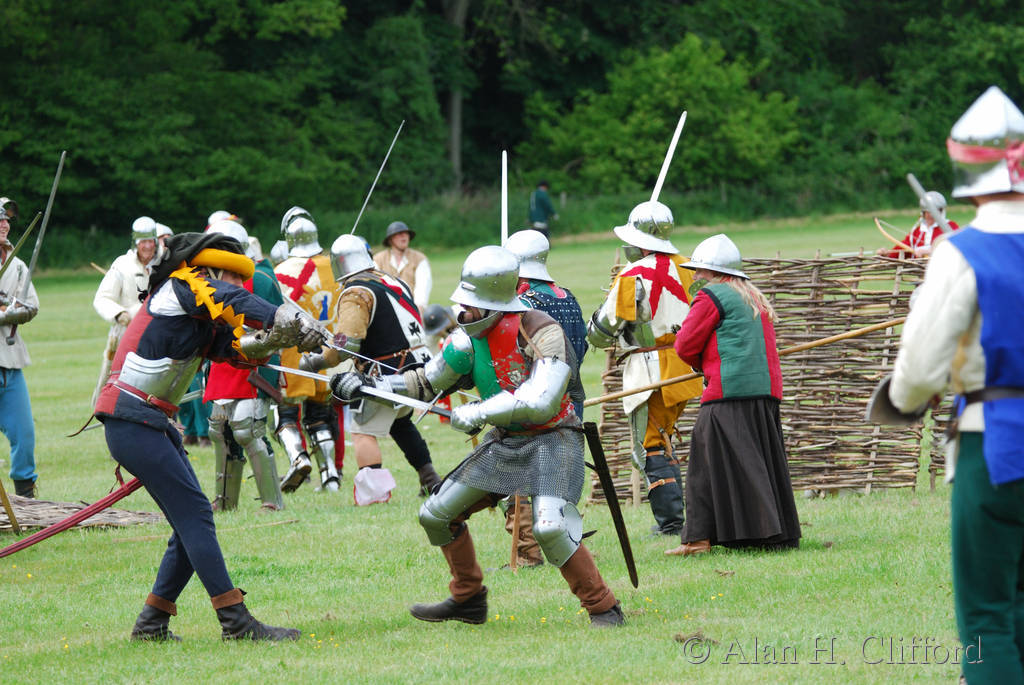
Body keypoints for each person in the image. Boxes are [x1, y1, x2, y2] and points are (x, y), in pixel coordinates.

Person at [331, 245, 624, 627]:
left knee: (550, 528)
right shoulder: (467, 338)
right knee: (436, 514)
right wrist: (370, 386)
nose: (462, 311)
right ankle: (468, 598)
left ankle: (603, 607)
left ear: (493, 300)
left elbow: (542, 401)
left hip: (553, 438)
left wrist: (479, 411)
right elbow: (425, 381)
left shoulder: (540, 330)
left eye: (470, 303)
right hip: (505, 441)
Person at [93, 230, 325, 641]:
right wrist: (286, 316)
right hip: (133, 419)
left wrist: (276, 337)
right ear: (210, 272)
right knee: (197, 515)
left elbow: (236, 352)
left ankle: (151, 624)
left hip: (149, 422)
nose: (237, 285)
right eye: (231, 276)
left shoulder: (199, 316)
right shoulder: (181, 287)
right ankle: (235, 622)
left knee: (191, 520)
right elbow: (231, 299)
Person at [884, 85, 1024, 683]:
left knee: (988, 617)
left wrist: (903, 400)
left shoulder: (961, 253)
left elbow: (918, 373)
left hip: (996, 443)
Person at [664, 233, 802, 557]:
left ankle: (698, 540)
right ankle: (772, 534)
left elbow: (685, 345)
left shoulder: (711, 296)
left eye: (699, 270)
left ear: (713, 271)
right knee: (758, 461)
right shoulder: (752, 294)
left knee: (703, 461)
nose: (696, 276)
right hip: (765, 391)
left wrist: (701, 362)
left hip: (729, 390)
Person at [586, 201, 703, 537]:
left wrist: (593, 329)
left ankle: (671, 523)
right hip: (686, 365)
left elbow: (605, 327)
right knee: (663, 437)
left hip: (652, 370)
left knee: (650, 443)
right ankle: (676, 517)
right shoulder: (689, 267)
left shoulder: (632, 275)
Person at [302, 234, 441, 503]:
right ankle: (430, 479)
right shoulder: (391, 280)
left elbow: (346, 345)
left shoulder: (356, 292)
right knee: (400, 422)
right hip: (418, 366)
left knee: (362, 429)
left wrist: (316, 361)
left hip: (385, 372)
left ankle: (375, 494)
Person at [502, 228, 587, 567]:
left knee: (521, 473)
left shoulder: (524, 304)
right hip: (570, 400)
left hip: (536, 401)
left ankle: (528, 552)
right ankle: (561, 547)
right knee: (558, 477)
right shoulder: (568, 297)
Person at [203, 219, 286, 511]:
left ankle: (272, 501)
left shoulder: (260, 280)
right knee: (218, 430)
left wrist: (259, 349)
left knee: (247, 430)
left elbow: (279, 325)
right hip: (222, 362)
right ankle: (225, 502)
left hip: (254, 363)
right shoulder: (204, 280)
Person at [273, 206, 343, 492]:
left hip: (294, 354)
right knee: (319, 414)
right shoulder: (335, 266)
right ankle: (331, 476)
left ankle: (298, 458)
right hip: (328, 352)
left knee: (284, 413)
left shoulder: (280, 272)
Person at [91, 217, 158, 406]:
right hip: (126, 333)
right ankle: (104, 410)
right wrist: (120, 314)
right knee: (113, 380)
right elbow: (102, 298)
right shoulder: (122, 265)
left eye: (150, 241)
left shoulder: (165, 262)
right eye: (143, 242)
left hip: (157, 335)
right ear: (136, 243)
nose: (147, 246)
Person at [0, 197, 40, 498]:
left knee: (25, 436)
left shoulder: (17, 266)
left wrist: (7, 312)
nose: (4, 224)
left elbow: (31, 306)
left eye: (6, 220)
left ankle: (25, 498)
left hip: (11, 360)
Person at [879, 191, 961, 257]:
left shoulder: (950, 226)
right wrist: (888, 253)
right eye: (927, 212)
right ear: (923, 213)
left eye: (934, 212)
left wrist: (929, 251)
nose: (930, 215)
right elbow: (903, 247)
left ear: (941, 212)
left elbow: (957, 248)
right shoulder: (917, 231)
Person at [372, 221, 432, 310]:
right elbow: (374, 286)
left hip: (412, 308)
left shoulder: (419, 259)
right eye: (399, 234)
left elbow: (422, 288)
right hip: (385, 308)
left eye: (406, 233)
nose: (404, 236)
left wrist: (418, 310)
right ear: (391, 239)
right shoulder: (378, 259)